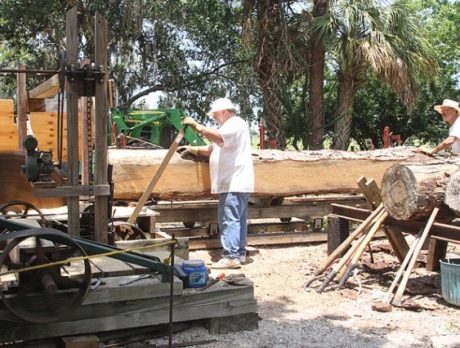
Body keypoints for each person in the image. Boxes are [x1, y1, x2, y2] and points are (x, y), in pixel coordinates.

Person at [177, 98, 254, 269]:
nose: (213, 117)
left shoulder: (235, 123)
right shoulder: (229, 126)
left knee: (229, 220)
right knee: (237, 219)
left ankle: (231, 256)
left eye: (214, 114)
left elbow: (219, 138)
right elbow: (213, 148)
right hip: (235, 181)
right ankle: (239, 253)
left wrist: (198, 127)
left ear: (224, 111)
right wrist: (194, 150)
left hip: (233, 181)